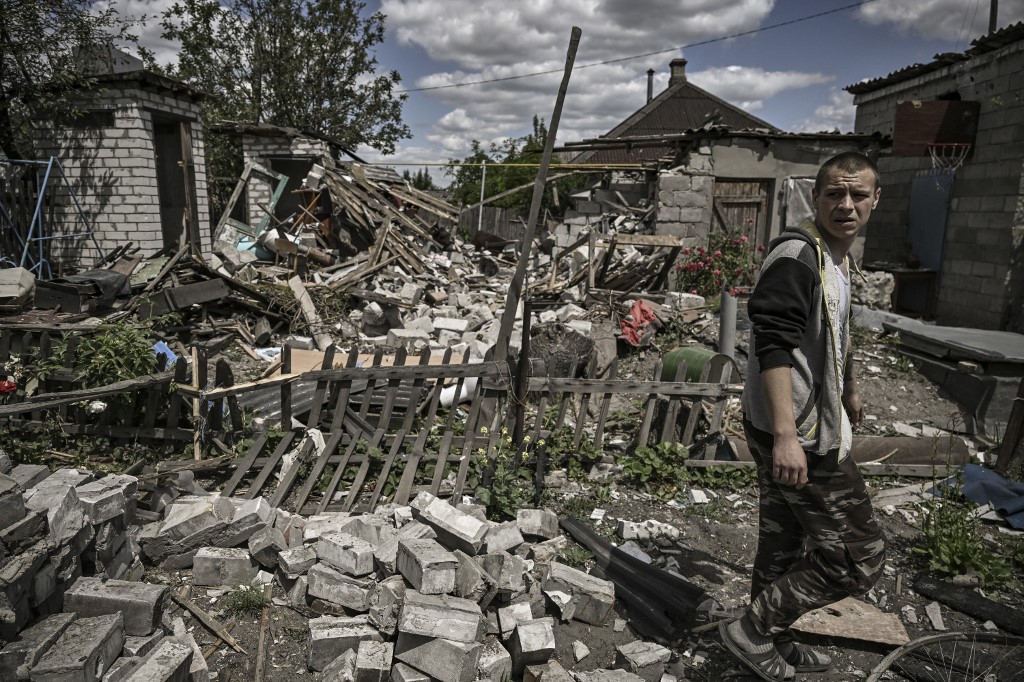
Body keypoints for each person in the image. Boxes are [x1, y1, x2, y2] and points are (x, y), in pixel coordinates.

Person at [719, 152, 888, 681]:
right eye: (834, 194)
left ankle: (770, 635)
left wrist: (851, 388)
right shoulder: (797, 254)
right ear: (814, 198)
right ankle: (750, 631)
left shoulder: (836, 257)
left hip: (796, 424)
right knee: (860, 557)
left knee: (783, 539)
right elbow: (771, 342)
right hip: (798, 433)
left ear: (874, 200)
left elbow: (838, 330)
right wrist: (788, 436)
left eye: (858, 195)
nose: (846, 205)